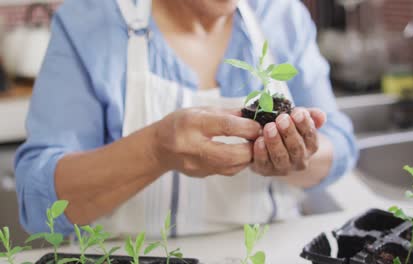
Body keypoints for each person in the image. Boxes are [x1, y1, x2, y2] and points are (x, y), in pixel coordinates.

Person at [15, 0, 358, 236]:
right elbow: (38, 198)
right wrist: (154, 151)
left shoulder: (281, 15)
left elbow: (340, 145)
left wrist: (298, 156)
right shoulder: (88, 22)